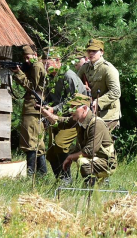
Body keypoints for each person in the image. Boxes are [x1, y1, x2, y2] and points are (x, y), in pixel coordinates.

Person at [40, 93, 117, 186]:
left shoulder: (96, 124)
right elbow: (60, 122)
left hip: (106, 163)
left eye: (74, 107)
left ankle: (93, 187)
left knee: (82, 161)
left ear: (84, 109)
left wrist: (70, 157)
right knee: (57, 152)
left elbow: (89, 151)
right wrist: (45, 112)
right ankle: (71, 182)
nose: (70, 110)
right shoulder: (79, 120)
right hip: (95, 158)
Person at [43, 50, 89, 181]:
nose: (45, 67)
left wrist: (54, 109)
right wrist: (45, 106)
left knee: (60, 144)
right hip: (58, 118)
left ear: (58, 61)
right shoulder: (50, 77)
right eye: (44, 64)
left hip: (74, 117)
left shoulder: (68, 76)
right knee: (51, 153)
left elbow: (76, 100)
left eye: (48, 63)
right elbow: (50, 97)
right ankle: (61, 179)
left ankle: (67, 180)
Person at [12, 44, 47, 177]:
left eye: (28, 57)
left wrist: (19, 73)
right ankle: (41, 174)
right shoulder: (34, 66)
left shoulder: (37, 66)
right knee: (35, 141)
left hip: (33, 107)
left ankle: (32, 175)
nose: (26, 60)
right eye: (24, 58)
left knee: (31, 142)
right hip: (33, 107)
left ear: (35, 55)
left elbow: (32, 86)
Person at [76, 39, 121, 130]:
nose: (91, 53)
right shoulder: (85, 67)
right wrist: (82, 87)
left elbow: (116, 92)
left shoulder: (108, 69)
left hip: (108, 114)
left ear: (102, 52)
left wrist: (98, 102)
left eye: (94, 51)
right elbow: (76, 83)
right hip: (91, 112)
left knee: (97, 141)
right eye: (89, 51)